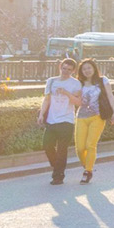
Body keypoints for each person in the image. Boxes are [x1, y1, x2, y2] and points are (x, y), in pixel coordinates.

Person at [73, 58, 114, 184]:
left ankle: (88, 171)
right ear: (81, 71)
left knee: (90, 145)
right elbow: (75, 99)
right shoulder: (79, 83)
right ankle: (87, 164)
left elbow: (110, 96)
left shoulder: (102, 80)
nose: (87, 71)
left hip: (97, 117)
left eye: (89, 68)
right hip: (81, 117)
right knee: (79, 148)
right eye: (84, 69)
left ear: (94, 68)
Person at [37, 58, 83, 186]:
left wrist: (66, 93)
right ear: (60, 67)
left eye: (69, 70)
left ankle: (58, 176)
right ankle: (57, 165)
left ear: (73, 71)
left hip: (66, 120)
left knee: (62, 149)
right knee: (47, 145)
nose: (66, 71)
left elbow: (78, 102)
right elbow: (46, 99)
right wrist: (41, 114)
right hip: (52, 119)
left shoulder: (76, 84)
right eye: (64, 68)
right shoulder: (51, 81)